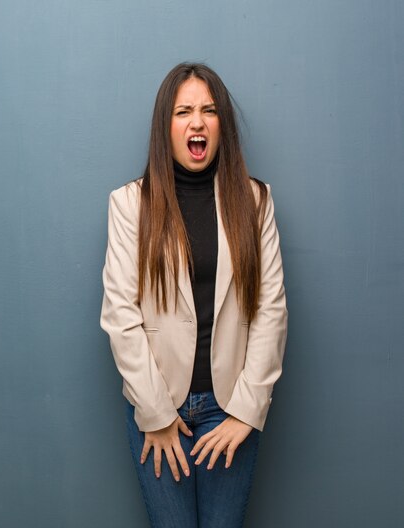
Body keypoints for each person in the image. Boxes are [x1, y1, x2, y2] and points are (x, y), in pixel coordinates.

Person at [100, 63, 288, 528]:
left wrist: (247, 411)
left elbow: (271, 311)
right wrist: (157, 414)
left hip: (230, 410)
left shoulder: (256, 201)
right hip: (158, 409)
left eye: (209, 111)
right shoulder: (130, 204)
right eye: (184, 111)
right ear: (166, 126)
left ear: (222, 125)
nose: (197, 122)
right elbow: (120, 315)